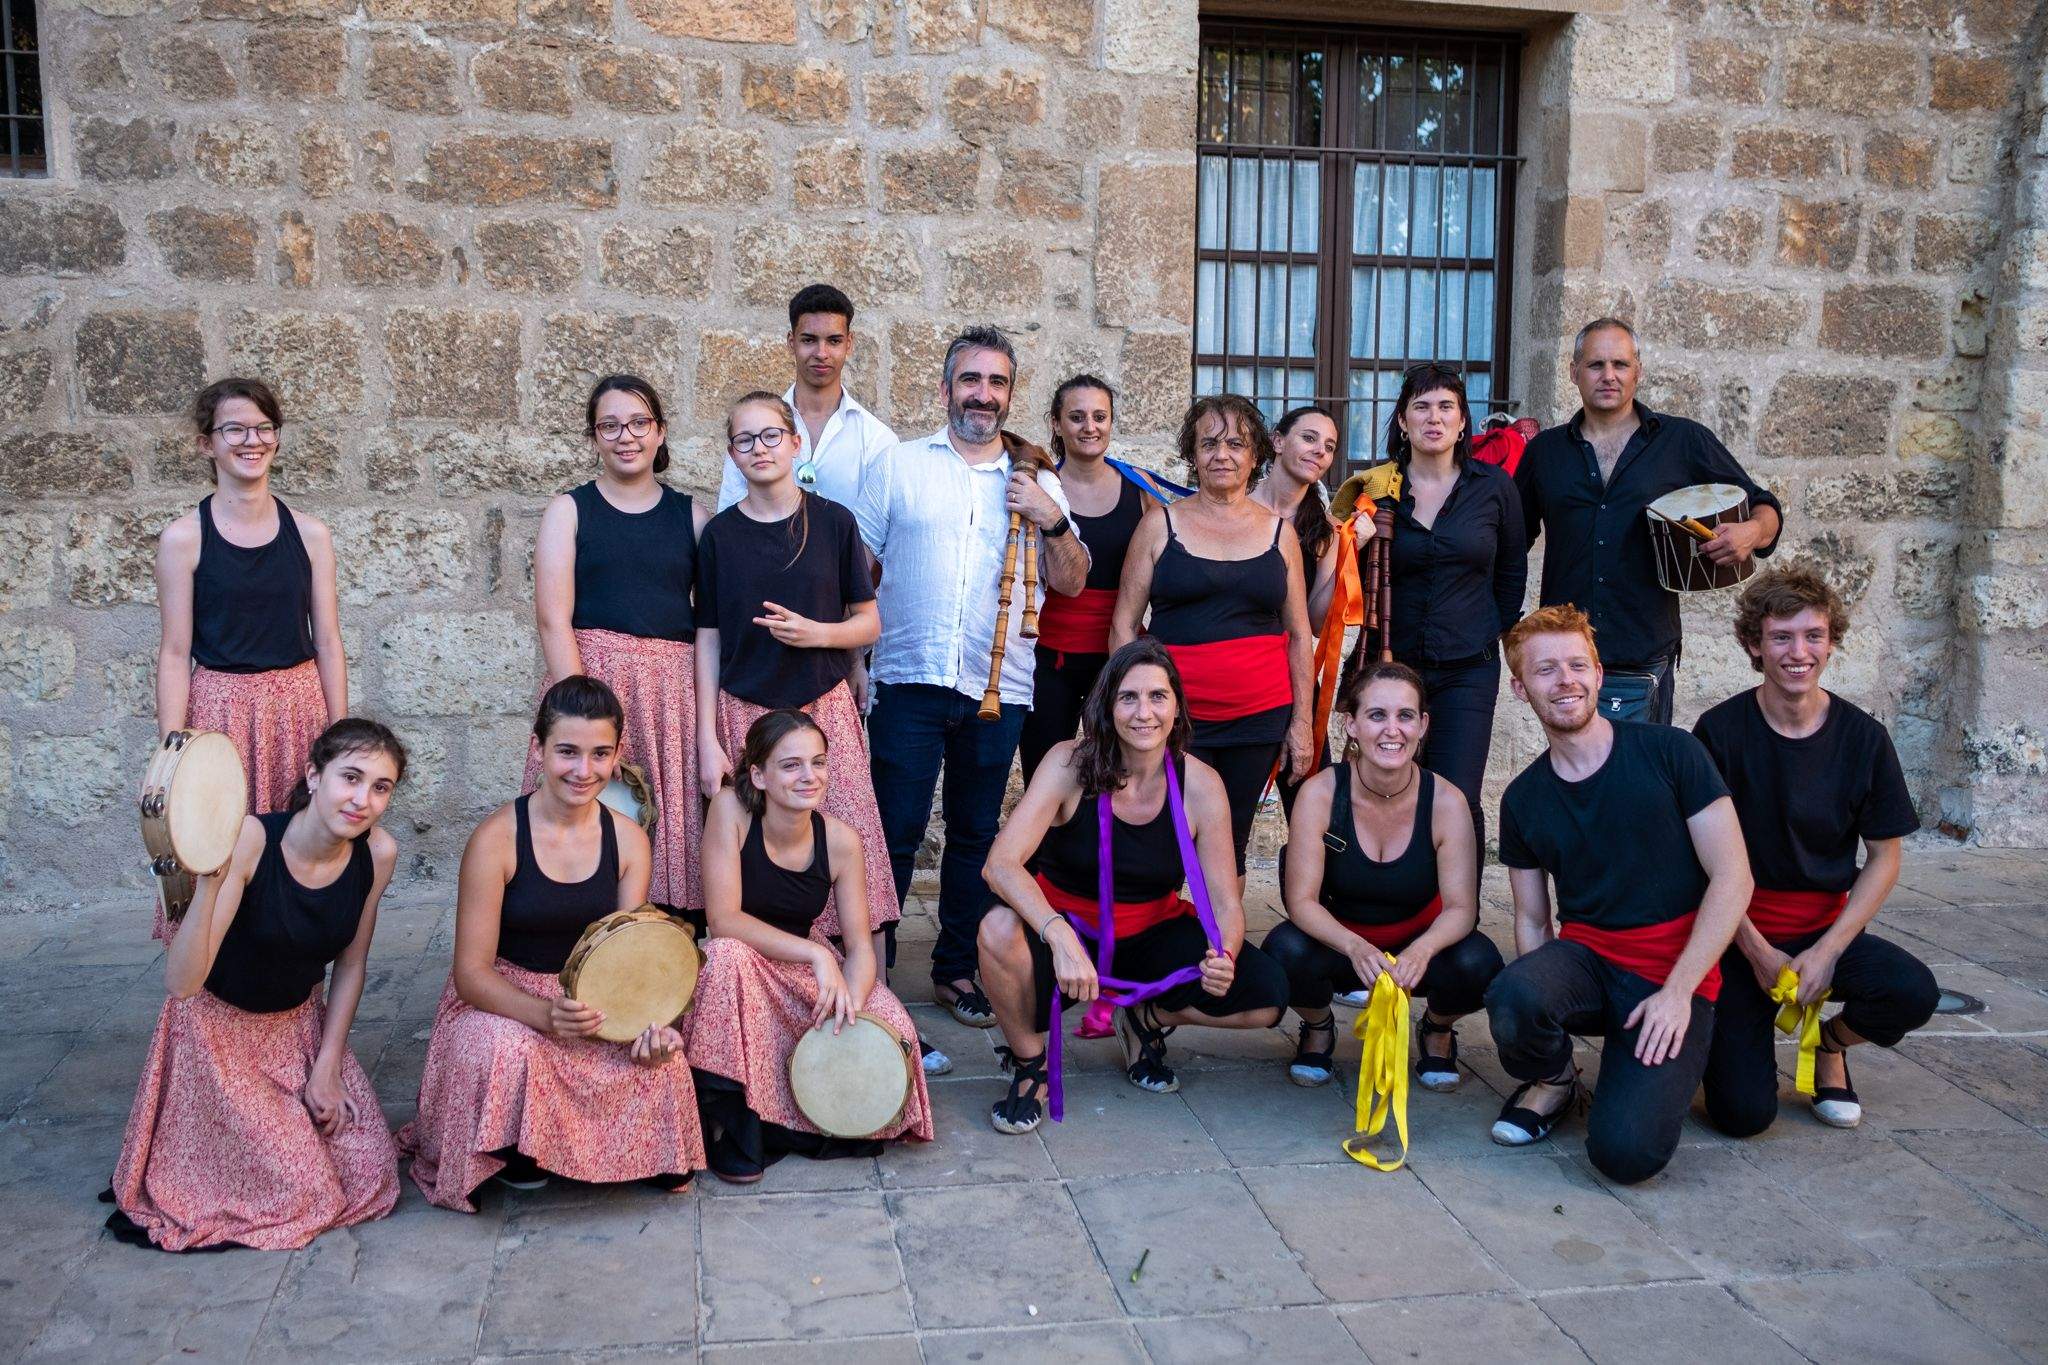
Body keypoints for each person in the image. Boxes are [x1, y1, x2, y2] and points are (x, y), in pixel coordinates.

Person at [854, 325, 1087, 1030]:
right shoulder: (898, 465)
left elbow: (1072, 583)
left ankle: (956, 966)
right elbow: (857, 574)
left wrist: (1051, 521)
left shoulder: (1039, 478)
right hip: (907, 677)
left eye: (996, 383)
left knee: (974, 833)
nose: (982, 395)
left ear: (1011, 393)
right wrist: (849, 668)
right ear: (946, 385)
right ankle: (876, 971)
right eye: (970, 380)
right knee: (892, 832)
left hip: (1001, 686)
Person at [402, 677, 702, 1210]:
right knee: (502, 1048)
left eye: (599, 754)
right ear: (537, 748)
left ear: (616, 756)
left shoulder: (629, 841)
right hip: (506, 1002)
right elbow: (471, 974)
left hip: (593, 1005)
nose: (583, 771)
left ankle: (572, 1148)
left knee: (663, 1064)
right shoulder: (496, 838)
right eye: (567, 751)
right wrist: (544, 1015)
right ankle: (520, 1149)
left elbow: (632, 959)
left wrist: (647, 1026)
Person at [107, 719, 406, 1251]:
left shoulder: (377, 853)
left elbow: (352, 966)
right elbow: (181, 984)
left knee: (372, 1174)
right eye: (351, 778)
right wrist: (210, 881)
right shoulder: (251, 838)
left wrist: (328, 1067)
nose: (362, 799)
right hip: (219, 1033)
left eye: (380, 787)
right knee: (303, 1194)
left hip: (297, 1029)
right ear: (315, 776)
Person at [1484, 605, 1752, 1185]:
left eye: (1578, 665)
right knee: (1511, 994)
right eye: (1546, 670)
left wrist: (1679, 992)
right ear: (1519, 687)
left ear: (1600, 674)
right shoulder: (1524, 798)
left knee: (1625, 1155)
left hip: (1677, 971)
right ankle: (1556, 1082)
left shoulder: (1671, 753)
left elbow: (1734, 876)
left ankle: (1661, 1060)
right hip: (1591, 960)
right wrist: (1540, 1013)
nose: (1565, 681)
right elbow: (1533, 921)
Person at [976, 640, 1289, 1131]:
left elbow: (1226, 902)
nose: (1144, 713)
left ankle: (1146, 1019)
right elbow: (1000, 865)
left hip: (1150, 929)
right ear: (1107, 706)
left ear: (1177, 705)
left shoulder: (1202, 785)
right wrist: (1057, 935)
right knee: (996, 929)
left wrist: (1224, 957)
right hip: (1069, 926)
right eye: (1128, 698)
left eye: (1157, 697)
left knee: (1268, 997)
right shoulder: (1067, 764)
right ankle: (1030, 1063)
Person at [1694, 567, 1934, 1133]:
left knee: (1911, 991)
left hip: (1824, 931)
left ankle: (1830, 1044)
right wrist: (1755, 952)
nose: (1799, 652)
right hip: (1739, 934)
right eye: (1781, 637)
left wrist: (1828, 951)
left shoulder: (1864, 738)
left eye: (1813, 635)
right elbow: (1697, 862)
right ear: (1754, 644)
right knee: (1741, 1115)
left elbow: (1884, 856)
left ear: (1830, 641)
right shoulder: (1719, 732)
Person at [686, 711, 934, 1182]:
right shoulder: (730, 812)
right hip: (747, 959)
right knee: (725, 959)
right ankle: (734, 1122)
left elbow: (861, 948)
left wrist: (851, 1005)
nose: (809, 777)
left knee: (890, 1020)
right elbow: (724, 921)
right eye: (791, 765)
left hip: (800, 965)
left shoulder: (841, 841)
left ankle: (810, 1114)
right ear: (758, 774)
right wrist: (819, 955)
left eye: (818, 763)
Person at [697, 391, 897, 959]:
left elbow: (869, 622)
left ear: (793, 443)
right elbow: (708, 637)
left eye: (769, 436)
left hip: (823, 711)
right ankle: (769, 993)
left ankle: (871, 1006)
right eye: (744, 440)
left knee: (857, 861)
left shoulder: (834, 523)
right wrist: (708, 737)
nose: (758, 448)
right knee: (758, 862)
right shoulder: (718, 537)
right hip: (746, 716)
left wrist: (820, 634)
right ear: (733, 455)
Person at [1516, 318, 1784, 724]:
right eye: (1595, 365)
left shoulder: (1682, 441)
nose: (1609, 376)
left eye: (1620, 365)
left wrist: (1752, 530)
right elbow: (1509, 540)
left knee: (1638, 782)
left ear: (1637, 371)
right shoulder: (1545, 452)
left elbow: (1764, 506)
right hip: (1565, 660)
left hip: (1642, 656)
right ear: (1574, 372)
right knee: (1573, 779)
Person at [153, 377, 346, 939]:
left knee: (295, 854)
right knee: (212, 854)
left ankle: (290, 998)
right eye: (233, 428)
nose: (250, 440)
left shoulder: (310, 535)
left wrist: (337, 734)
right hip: (220, 715)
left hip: (297, 709)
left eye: (263, 428)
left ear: (277, 439)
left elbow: (329, 639)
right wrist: (172, 755)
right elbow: (174, 650)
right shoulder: (183, 538)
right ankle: (210, 995)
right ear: (205, 443)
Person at [1261, 663, 1502, 1090]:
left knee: (1479, 962)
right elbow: (1301, 901)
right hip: (1344, 945)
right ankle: (1318, 1026)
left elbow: (1463, 909)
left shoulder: (1447, 801)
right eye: (1377, 715)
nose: (1393, 730)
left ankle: (1438, 1029)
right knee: (1283, 951)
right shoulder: (1319, 793)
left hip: (1417, 948)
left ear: (1423, 725)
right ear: (1351, 724)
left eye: (1405, 716)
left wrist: (1422, 951)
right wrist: (1354, 947)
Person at [1111, 394, 1315, 878]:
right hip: (1172, 719)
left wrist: (1302, 722)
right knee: (1166, 833)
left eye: (1235, 444)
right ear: (1192, 454)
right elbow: (1123, 623)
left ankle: (1221, 948)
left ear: (1255, 456)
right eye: (1208, 444)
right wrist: (1124, 706)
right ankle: (1161, 936)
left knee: (1233, 838)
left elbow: (1300, 634)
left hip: (1259, 717)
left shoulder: (1280, 533)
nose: (1221, 455)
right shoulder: (1159, 524)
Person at [532, 374, 710, 921]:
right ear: (594, 437)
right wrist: (582, 714)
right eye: (609, 425)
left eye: (638, 423)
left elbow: (710, 626)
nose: (625, 436)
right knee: (588, 810)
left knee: (665, 827)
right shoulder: (569, 510)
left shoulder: (693, 517)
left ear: (659, 433)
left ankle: (660, 952)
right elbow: (551, 618)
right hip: (590, 682)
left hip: (669, 700)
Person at [1371, 364, 1527, 843]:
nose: (1433, 418)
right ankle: (1397, 908)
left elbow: (1511, 573)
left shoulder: (1494, 489)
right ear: (1402, 420)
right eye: (1420, 407)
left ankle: (1460, 914)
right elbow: (1359, 580)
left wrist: (1486, 631)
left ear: (1463, 422)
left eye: (1446, 407)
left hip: (1468, 669)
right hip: (1395, 667)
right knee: (1392, 790)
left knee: (1458, 794)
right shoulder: (1378, 490)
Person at [1019, 373, 1185, 782]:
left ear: (1111, 422)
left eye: (1099, 416)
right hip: (1047, 657)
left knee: (1118, 770)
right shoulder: (1041, 488)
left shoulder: (1141, 489)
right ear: (1056, 424)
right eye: (1076, 417)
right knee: (1044, 770)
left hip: (1118, 653)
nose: (1089, 427)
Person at [715, 283, 898, 515]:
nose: (821, 353)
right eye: (809, 340)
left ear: (849, 343)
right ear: (792, 342)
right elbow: (729, 517)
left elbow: (878, 537)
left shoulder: (877, 440)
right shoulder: (753, 431)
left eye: (834, 341)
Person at [1251, 404, 1343, 816]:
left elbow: (1318, 622)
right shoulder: (1234, 509)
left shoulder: (1323, 528)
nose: (1319, 452)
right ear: (1277, 441)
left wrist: (1344, 561)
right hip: (1238, 670)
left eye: (1329, 446)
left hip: (1293, 674)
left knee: (1311, 805)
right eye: (1309, 438)